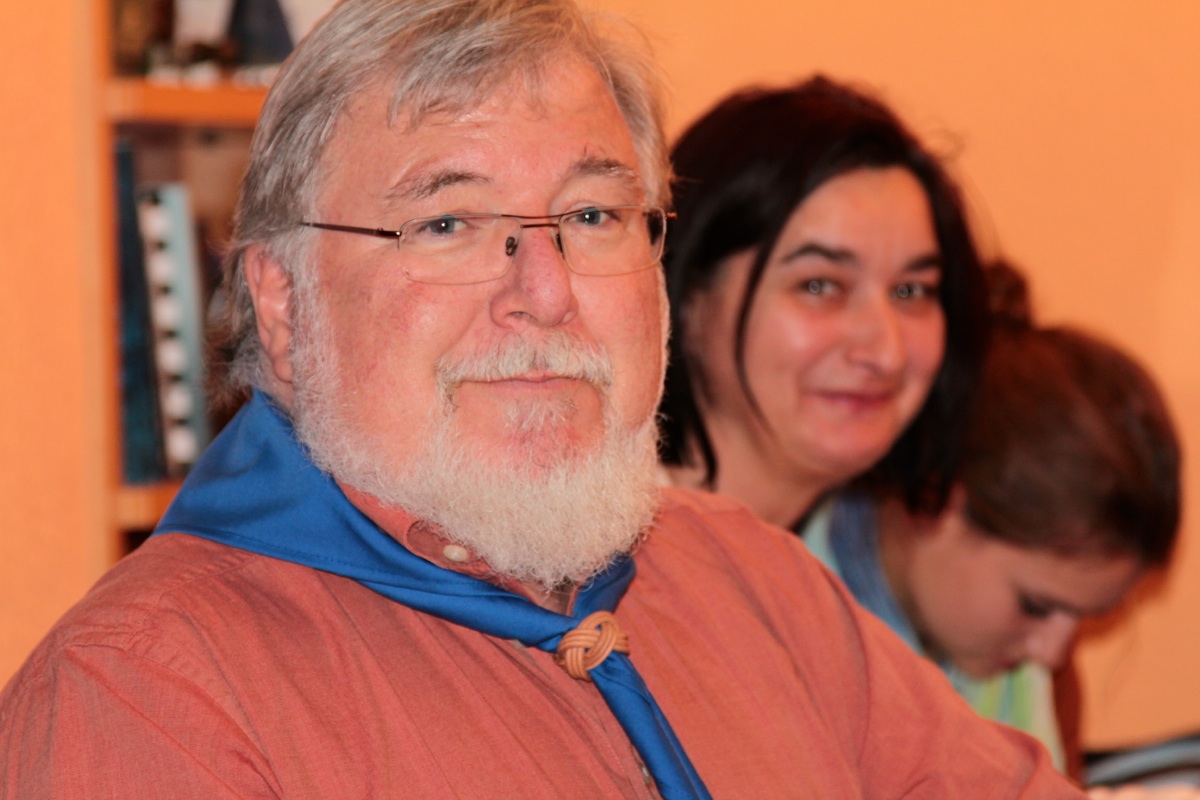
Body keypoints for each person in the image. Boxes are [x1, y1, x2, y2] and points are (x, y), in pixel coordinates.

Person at [0, 1, 1084, 797]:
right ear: (282, 305)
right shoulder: (149, 693)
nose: (546, 291)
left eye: (594, 216)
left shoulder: (756, 583)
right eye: (448, 224)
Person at [805, 262, 1182, 781]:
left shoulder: (1025, 672)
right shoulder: (784, 615)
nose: (1052, 652)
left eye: (1083, 617)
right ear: (939, 500)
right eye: (1036, 605)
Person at [658, 76, 988, 530]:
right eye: (819, 286)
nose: (886, 353)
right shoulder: (592, 560)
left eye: (910, 291)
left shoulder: (826, 563)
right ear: (688, 301)